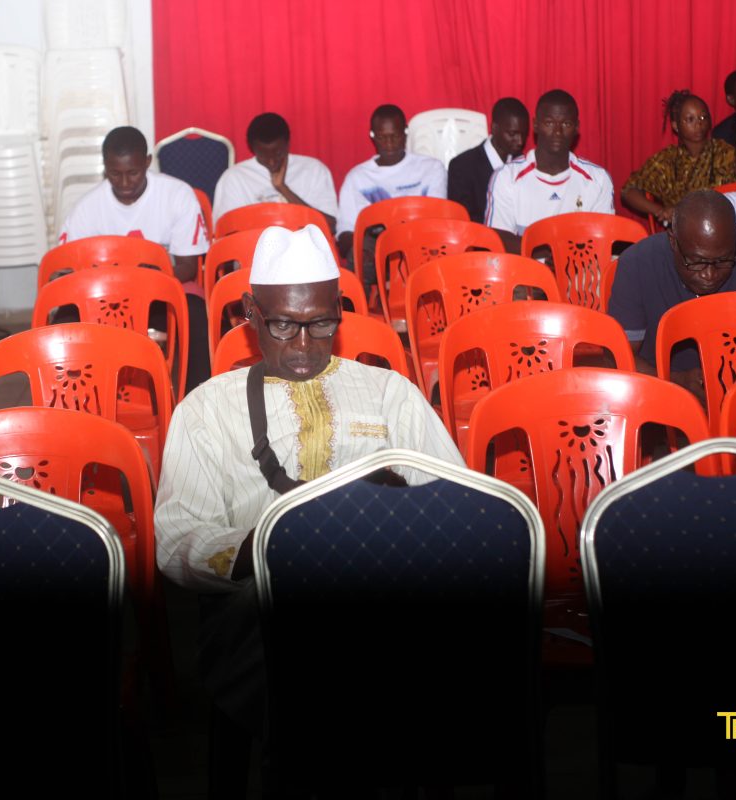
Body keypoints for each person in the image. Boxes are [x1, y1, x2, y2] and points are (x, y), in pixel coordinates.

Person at [154, 224, 464, 747]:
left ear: (340, 313)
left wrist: (399, 515)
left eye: (321, 325)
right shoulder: (207, 409)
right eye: (283, 326)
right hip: (265, 604)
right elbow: (177, 538)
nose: (303, 345)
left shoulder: (390, 393)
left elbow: (457, 506)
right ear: (251, 313)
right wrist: (262, 547)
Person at [55, 125, 212, 392]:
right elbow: (70, 274)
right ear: (105, 167)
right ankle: (77, 404)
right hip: (104, 300)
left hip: (160, 295)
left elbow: (187, 266)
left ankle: (196, 400)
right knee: (62, 322)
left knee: (196, 312)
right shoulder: (86, 208)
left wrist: (146, 283)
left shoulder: (177, 195)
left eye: (133, 173)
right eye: (115, 174)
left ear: (148, 162)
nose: (125, 183)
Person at [608, 190, 736, 404]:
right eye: (697, 262)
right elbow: (616, 356)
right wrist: (676, 381)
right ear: (673, 241)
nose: (709, 274)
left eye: (723, 261)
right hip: (656, 395)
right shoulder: (637, 263)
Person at [485, 89, 614, 252]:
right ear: (536, 126)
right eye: (549, 123)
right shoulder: (506, 178)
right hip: (525, 273)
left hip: (579, 274)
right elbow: (498, 238)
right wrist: (542, 253)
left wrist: (562, 256)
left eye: (566, 124)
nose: (557, 132)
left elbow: (603, 241)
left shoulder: (598, 180)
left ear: (576, 128)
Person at [334, 104, 447, 259]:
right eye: (382, 137)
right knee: (360, 252)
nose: (389, 143)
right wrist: (360, 248)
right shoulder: (358, 177)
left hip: (422, 243)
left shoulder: (430, 168)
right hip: (376, 250)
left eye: (395, 136)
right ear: (372, 136)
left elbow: (438, 218)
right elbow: (345, 230)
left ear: (406, 133)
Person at [621, 90, 736, 228]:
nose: (699, 124)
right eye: (690, 119)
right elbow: (629, 191)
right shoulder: (667, 159)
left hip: (720, 227)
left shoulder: (725, 152)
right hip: (681, 235)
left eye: (703, 118)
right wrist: (661, 210)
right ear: (676, 126)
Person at [211, 112, 339, 230]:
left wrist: (283, 189)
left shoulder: (313, 170)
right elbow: (225, 230)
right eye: (263, 155)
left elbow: (329, 226)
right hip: (252, 249)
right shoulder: (234, 177)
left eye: (278, 153)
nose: (271, 161)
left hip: (304, 249)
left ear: (287, 144)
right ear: (252, 148)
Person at [447, 97, 529, 223]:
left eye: (524, 134)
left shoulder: (524, 164)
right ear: (494, 128)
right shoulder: (462, 167)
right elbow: (463, 221)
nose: (520, 141)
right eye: (513, 134)